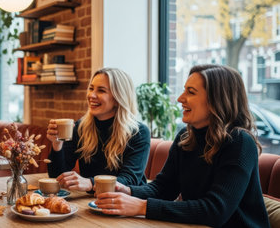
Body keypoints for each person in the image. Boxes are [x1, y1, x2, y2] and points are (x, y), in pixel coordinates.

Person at [96, 64, 270, 227]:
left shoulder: (239, 142)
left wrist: (142, 206)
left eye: (191, 92)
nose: (180, 98)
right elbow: (164, 188)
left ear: (216, 100)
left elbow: (216, 210)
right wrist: (128, 191)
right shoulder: (186, 137)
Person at [46, 68, 150, 192]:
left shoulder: (139, 132)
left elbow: (128, 180)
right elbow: (57, 176)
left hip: (126, 204)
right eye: (91, 88)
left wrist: (90, 183)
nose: (91, 95)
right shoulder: (81, 127)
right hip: (90, 201)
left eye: (101, 90)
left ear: (118, 98)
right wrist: (57, 145)